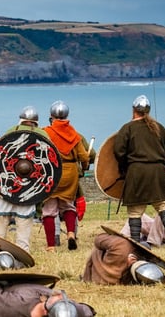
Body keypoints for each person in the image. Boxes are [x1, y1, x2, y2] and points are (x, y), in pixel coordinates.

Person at [113, 94, 165, 246]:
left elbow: (118, 151)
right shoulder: (158, 127)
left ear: (134, 111)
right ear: (148, 111)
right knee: (164, 204)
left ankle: (136, 242)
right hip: (158, 172)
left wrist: (126, 167)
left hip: (137, 172)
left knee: (136, 210)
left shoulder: (128, 128)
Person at [0, 106, 48, 253]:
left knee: (1, 222)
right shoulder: (43, 135)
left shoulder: (11, 131)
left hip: (8, 185)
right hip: (29, 188)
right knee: (23, 222)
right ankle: (23, 253)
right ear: (36, 122)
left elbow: (1, 157)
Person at [42, 101, 90, 252]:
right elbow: (84, 156)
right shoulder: (73, 133)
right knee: (68, 206)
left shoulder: (45, 132)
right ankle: (70, 233)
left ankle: (51, 246)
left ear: (51, 116)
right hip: (70, 173)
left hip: (52, 172)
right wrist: (85, 166)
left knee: (49, 210)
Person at [81, 231, 165, 285]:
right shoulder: (131, 276)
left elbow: (99, 239)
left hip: (91, 278)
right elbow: (155, 279)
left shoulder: (121, 244)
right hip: (105, 278)